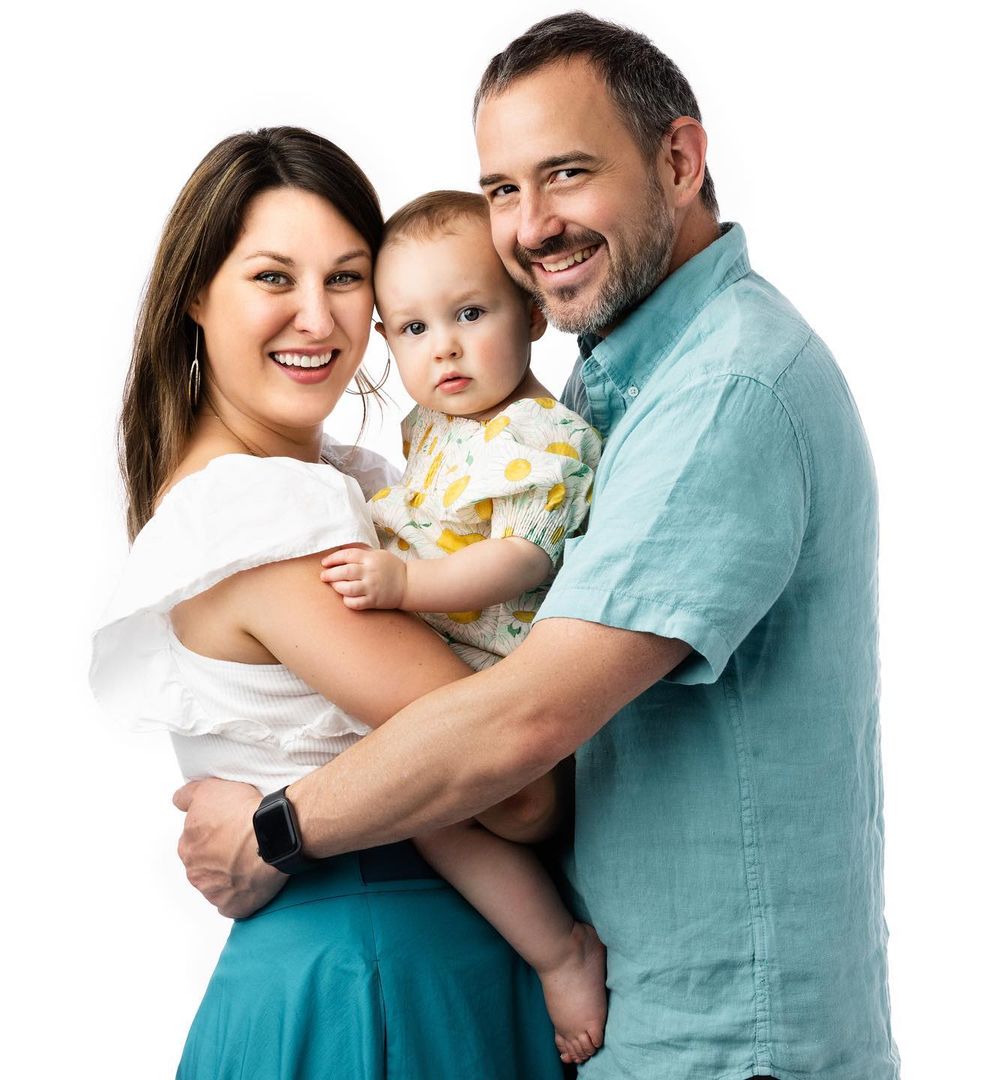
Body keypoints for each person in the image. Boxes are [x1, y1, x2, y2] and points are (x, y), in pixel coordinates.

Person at [175, 14, 900, 1080]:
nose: (532, 225)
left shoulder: (724, 391)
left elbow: (524, 726)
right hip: (646, 1021)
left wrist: (274, 829)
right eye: (503, 189)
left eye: (566, 173)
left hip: (723, 1044)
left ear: (680, 162)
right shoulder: (606, 391)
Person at [90, 126, 565, 1079]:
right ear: (195, 295)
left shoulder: (347, 482)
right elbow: (517, 792)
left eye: (346, 278)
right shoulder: (258, 511)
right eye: (274, 277)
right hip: (382, 970)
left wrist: (275, 819)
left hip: (389, 958)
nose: (317, 318)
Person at [321, 189, 608, 1064]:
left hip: (505, 683)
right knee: (412, 810)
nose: (442, 346)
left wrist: (408, 583)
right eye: (413, 328)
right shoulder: (436, 426)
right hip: (444, 670)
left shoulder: (545, 437)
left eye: (470, 314)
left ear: (532, 312)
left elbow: (520, 557)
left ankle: (560, 951)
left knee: (433, 819)